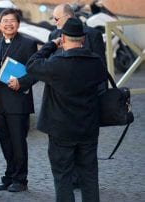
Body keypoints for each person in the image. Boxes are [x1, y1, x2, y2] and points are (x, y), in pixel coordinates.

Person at [27, 18, 107, 202]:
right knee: (89, 176)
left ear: (62, 38)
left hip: (61, 130)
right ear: (84, 39)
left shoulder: (56, 63)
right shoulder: (95, 62)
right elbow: (101, 81)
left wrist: (50, 46)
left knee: (62, 177)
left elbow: (31, 64)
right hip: (88, 128)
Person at [49, 3, 107, 188]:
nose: (54, 22)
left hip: (87, 104)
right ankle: (72, 180)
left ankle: (83, 179)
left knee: (85, 151)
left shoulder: (93, 35)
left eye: (56, 19)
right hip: (60, 105)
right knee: (64, 150)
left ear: (68, 17)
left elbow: (101, 70)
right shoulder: (52, 36)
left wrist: (101, 100)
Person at [0, 8, 37, 192]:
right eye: (5, 21)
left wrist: (21, 82)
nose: (8, 24)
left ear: (18, 23)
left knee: (18, 143)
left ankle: (21, 179)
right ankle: (9, 176)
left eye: (12, 20)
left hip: (18, 103)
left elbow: (36, 72)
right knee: (6, 143)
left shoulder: (28, 44)